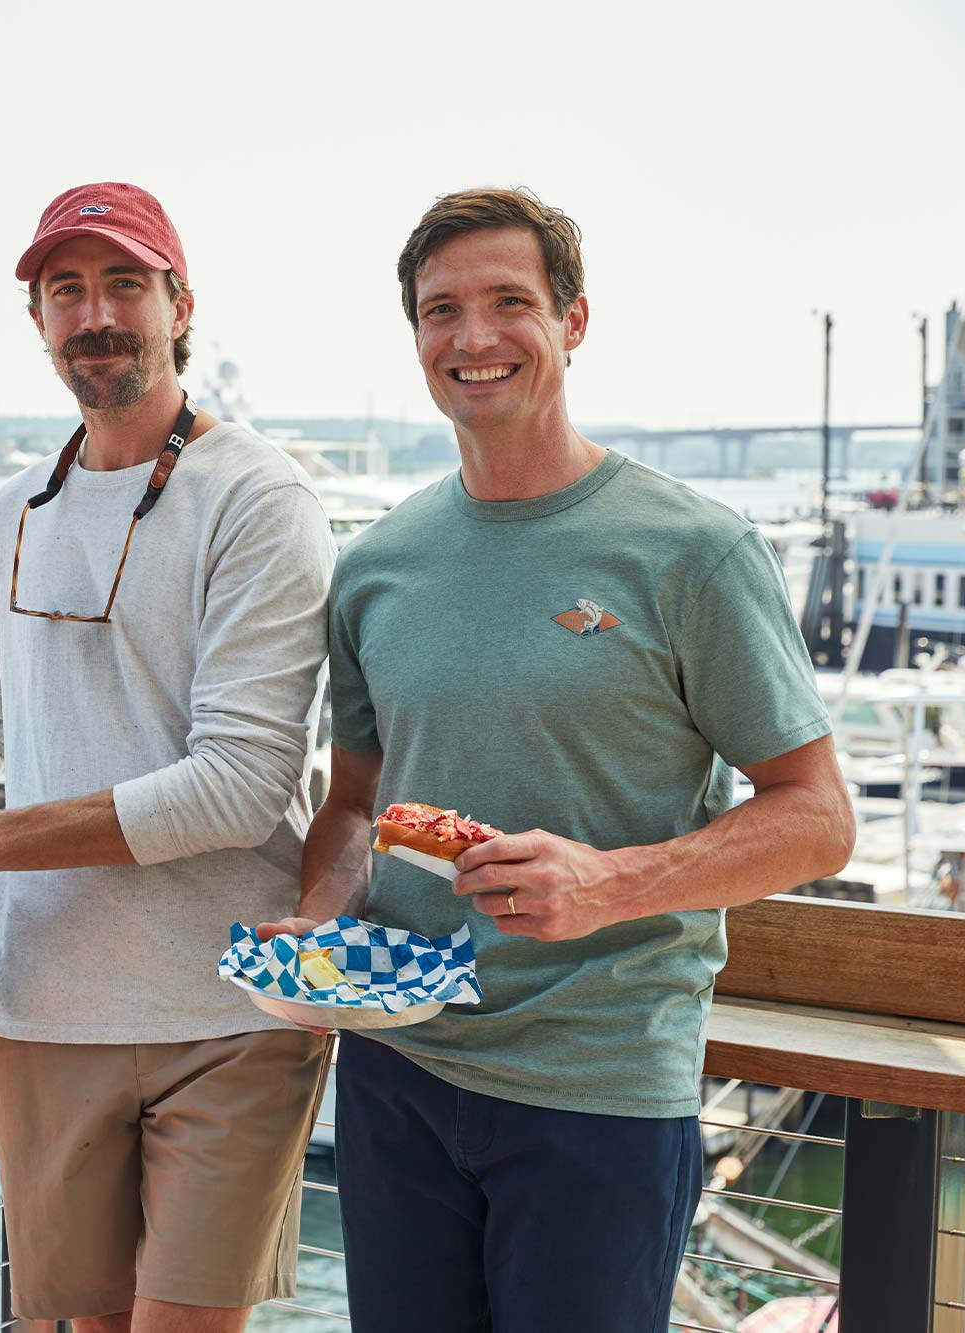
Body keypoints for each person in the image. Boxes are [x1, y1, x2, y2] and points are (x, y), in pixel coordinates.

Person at [262, 187, 856, 1331]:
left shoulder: (691, 551)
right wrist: (323, 927)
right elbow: (352, 804)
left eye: (507, 303)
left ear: (572, 321)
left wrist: (604, 884)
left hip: (599, 1086)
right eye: (441, 311)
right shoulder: (377, 562)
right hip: (397, 1074)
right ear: (416, 339)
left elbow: (817, 816)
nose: (472, 338)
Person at [0, 183, 336, 1331]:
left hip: (225, 1004)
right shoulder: (17, 510)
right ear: (37, 321)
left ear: (180, 304)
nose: (95, 314)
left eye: (123, 283)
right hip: (39, 998)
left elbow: (238, 787)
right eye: (65, 290)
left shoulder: (258, 497)